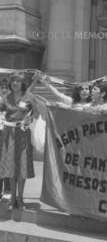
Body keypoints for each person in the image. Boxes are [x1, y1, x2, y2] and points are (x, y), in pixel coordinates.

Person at [0, 71, 38, 209]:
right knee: (10, 167)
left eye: (17, 81)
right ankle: (12, 199)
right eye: (13, 81)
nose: (14, 83)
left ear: (23, 83)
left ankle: (20, 199)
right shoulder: (6, 97)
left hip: (22, 133)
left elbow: (37, 113)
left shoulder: (29, 97)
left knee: (21, 167)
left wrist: (30, 118)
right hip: (8, 134)